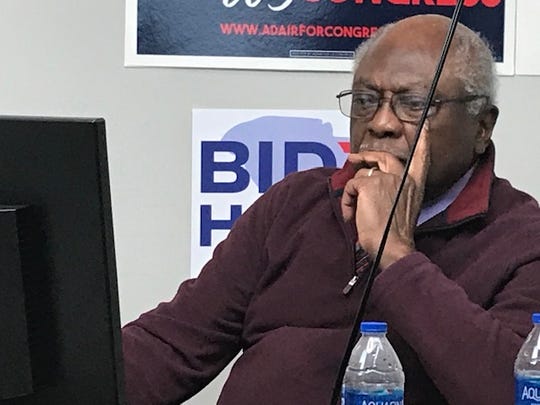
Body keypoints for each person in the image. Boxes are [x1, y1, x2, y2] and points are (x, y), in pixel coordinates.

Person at [122, 14, 540, 404]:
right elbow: (172, 345)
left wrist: (396, 255)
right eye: (364, 100)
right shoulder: (294, 203)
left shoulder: (522, 238)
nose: (381, 123)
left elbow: (514, 389)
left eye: (414, 104)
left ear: (482, 127)